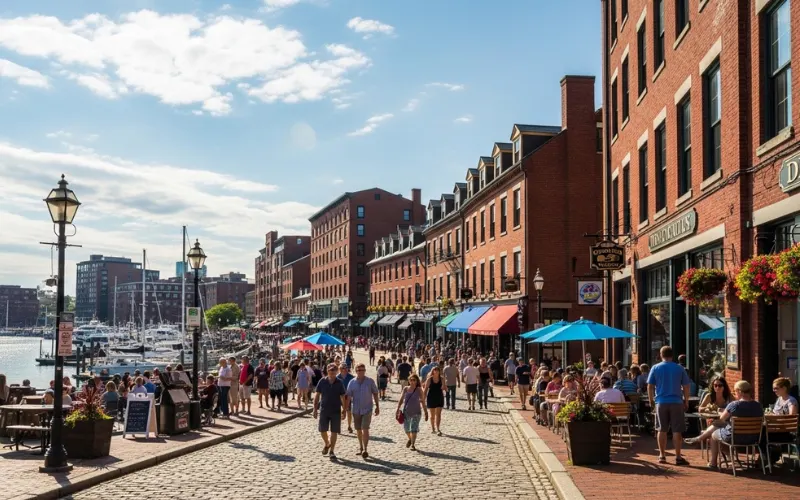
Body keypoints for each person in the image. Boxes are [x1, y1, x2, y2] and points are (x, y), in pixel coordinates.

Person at [686, 380, 764, 469]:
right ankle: (727, 456)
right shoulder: (758, 405)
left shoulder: (734, 405)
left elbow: (721, 419)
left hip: (734, 438)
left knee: (714, 434)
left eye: (735, 391)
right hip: (754, 438)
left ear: (739, 391)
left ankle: (713, 462)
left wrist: (720, 413)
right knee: (721, 428)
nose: (735, 394)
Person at [647, 345, 692, 465]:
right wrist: (686, 400)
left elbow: (650, 386)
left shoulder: (655, 368)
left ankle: (662, 455)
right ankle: (678, 457)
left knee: (661, 429)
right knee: (677, 430)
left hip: (661, 402)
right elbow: (686, 386)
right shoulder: (679, 368)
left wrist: (651, 400)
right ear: (672, 355)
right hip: (676, 401)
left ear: (661, 355)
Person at [344, 363, 380, 458]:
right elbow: (348, 397)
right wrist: (345, 409)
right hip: (356, 409)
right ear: (356, 371)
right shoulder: (352, 382)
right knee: (358, 430)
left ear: (365, 371)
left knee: (365, 428)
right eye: (358, 370)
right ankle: (360, 447)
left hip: (367, 409)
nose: (360, 372)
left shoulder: (370, 381)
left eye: (362, 370)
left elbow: (375, 393)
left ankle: (365, 449)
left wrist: (377, 406)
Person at [313, 364, 347, 460]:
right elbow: (317, 395)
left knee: (334, 431)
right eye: (330, 371)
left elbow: (343, 397)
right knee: (322, 430)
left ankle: (332, 451)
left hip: (336, 410)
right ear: (327, 371)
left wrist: (344, 409)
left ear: (336, 372)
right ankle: (327, 443)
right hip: (324, 410)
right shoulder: (322, 381)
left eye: (334, 371)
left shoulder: (339, 382)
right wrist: (315, 409)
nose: (332, 373)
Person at [396, 373, 427, 451]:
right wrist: (397, 409)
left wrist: (426, 412)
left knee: (414, 429)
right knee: (406, 429)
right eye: (411, 380)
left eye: (414, 380)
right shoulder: (406, 389)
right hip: (406, 412)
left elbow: (423, 401)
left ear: (416, 381)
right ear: (409, 381)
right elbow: (401, 399)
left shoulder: (419, 389)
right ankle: (410, 439)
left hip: (416, 412)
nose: (412, 381)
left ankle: (413, 444)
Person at [424, 366, 445, 435]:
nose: (436, 371)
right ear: (432, 371)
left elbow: (444, 387)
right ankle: (433, 428)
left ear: (439, 371)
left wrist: (445, 387)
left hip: (439, 397)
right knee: (432, 415)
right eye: (434, 370)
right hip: (431, 397)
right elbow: (425, 390)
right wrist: (423, 399)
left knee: (438, 414)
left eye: (437, 370)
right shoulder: (429, 379)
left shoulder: (442, 379)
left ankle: (438, 428)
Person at [338, 364, 355, 433]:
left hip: (347, 397)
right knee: (338, 412)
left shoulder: (351, 377)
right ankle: (338, 426)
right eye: (342, 368)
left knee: (349, 412)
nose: (344, 369)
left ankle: (349, 425)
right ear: (340, 369)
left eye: (345, 368)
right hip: (338, 397)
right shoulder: (337, 377)